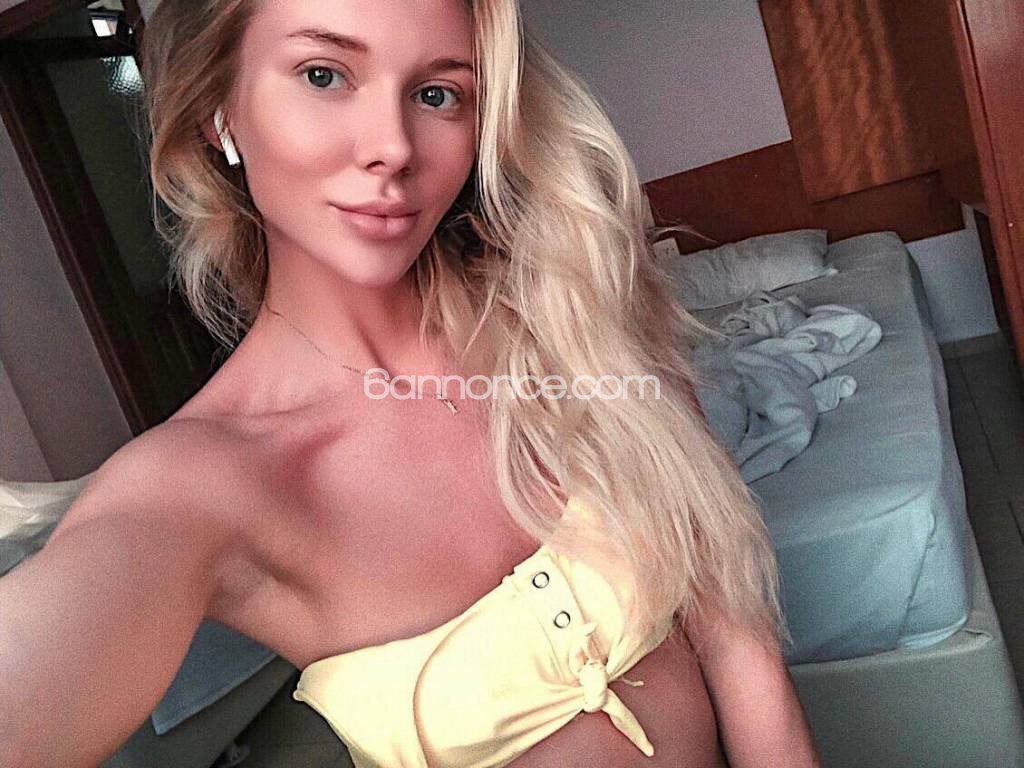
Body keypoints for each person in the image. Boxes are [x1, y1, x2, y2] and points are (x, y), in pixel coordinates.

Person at [0, 1, 822, 766]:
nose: (392, 146)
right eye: (324, 74)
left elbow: (735, 635)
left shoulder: (573, 317)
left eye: (437, 93)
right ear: (220, 112)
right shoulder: (198, 485)